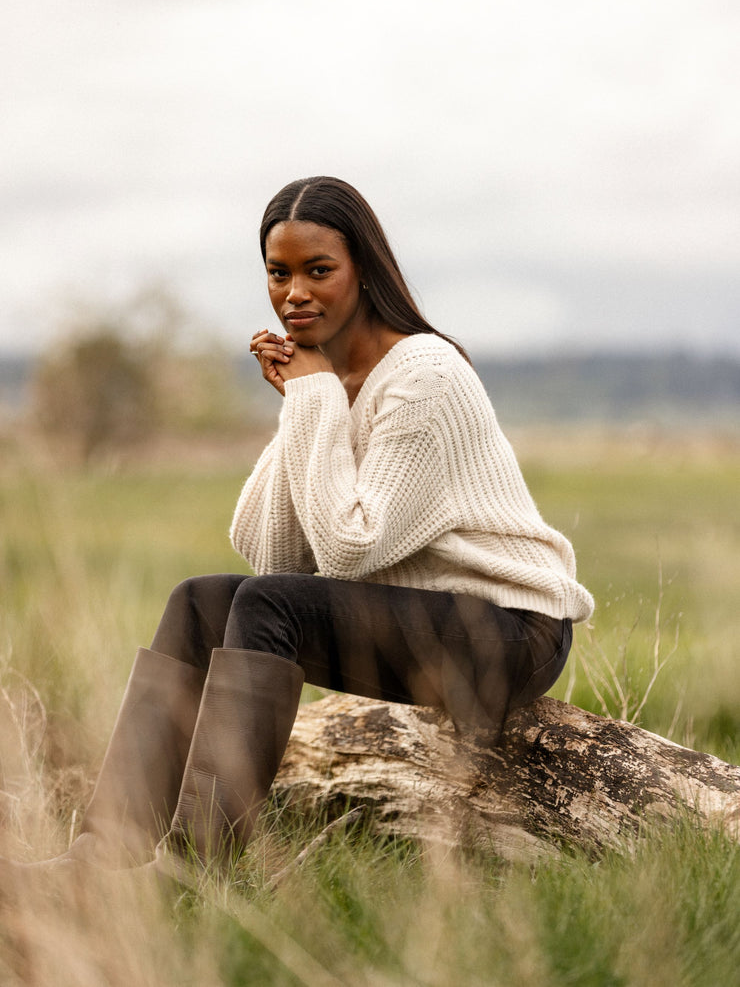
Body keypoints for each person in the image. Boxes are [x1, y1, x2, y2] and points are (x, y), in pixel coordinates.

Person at [4, 175, 594, 879]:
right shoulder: (332, 377)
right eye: (278, 273)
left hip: (509, 634)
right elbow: (271, 550)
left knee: (266, 604)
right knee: (201, 601)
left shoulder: (423, 375)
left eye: (319, 271)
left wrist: (312, 395)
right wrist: (309, 402)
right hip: (428, 621)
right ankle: (102, 858)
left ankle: (196, 871)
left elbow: (347, 550)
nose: (295, 294)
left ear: (365, 271)